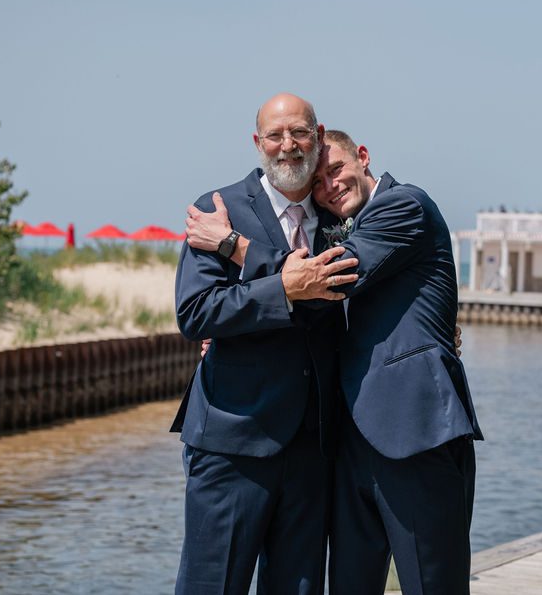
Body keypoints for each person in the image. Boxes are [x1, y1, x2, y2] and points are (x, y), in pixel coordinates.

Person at [186, 127, 483, 595]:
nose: (329, 185)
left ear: (363, 157)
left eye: (337, 169)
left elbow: (329, 279)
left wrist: (233, 246)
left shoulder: (403, 204)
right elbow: (307, 305)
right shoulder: (335, 228)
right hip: (346, 444)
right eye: (319, 182)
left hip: (416, 431)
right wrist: (228, 337)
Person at [172, 93, 359, 595]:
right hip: (233, 441)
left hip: (311, 448)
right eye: (275, 135)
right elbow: (195, 312)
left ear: (318, 140)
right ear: (258, 143)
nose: (287, 146)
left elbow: (342, 302)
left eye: (299, 133)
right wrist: (282, 289)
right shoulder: (219, 210)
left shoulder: (337, 215)